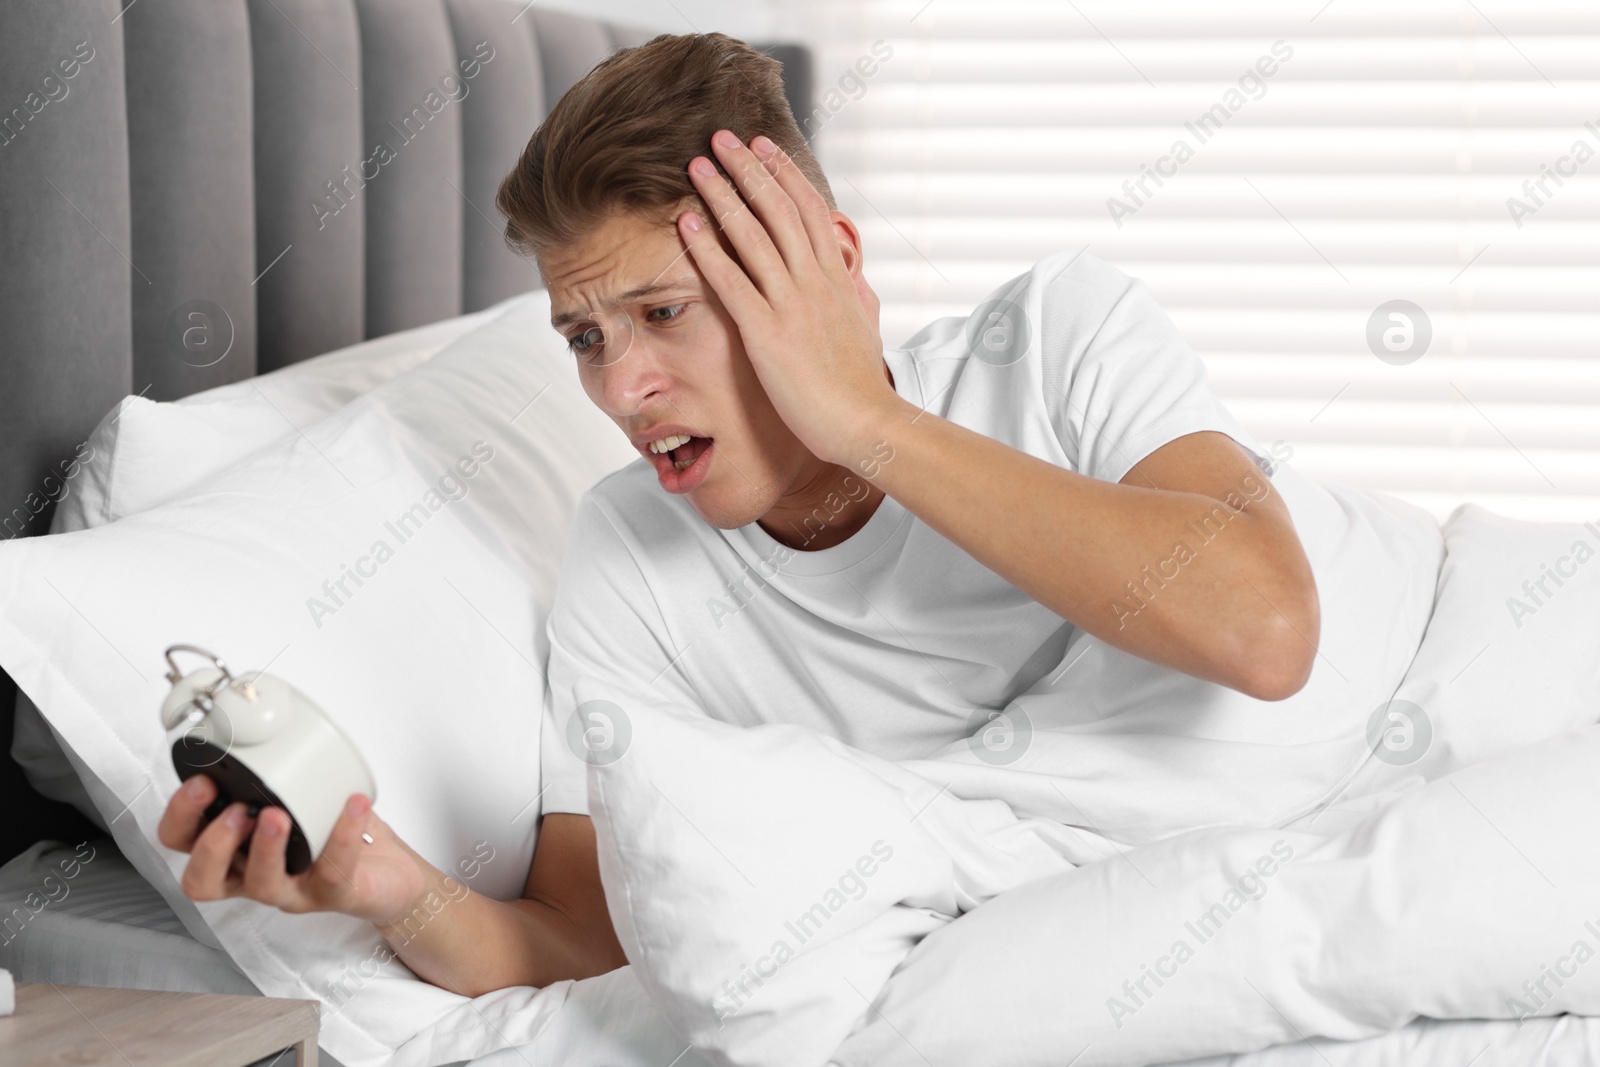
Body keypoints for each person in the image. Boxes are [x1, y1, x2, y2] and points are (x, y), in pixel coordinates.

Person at [157, 30, 1438, 1000]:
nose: (620, 386)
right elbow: (604, 942)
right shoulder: (627, 558)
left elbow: (1263, 631)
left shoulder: (1055, 336)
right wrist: (389, 885)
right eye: (584, 336)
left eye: (663, 313)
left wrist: (862, 422)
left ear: (823, 261)